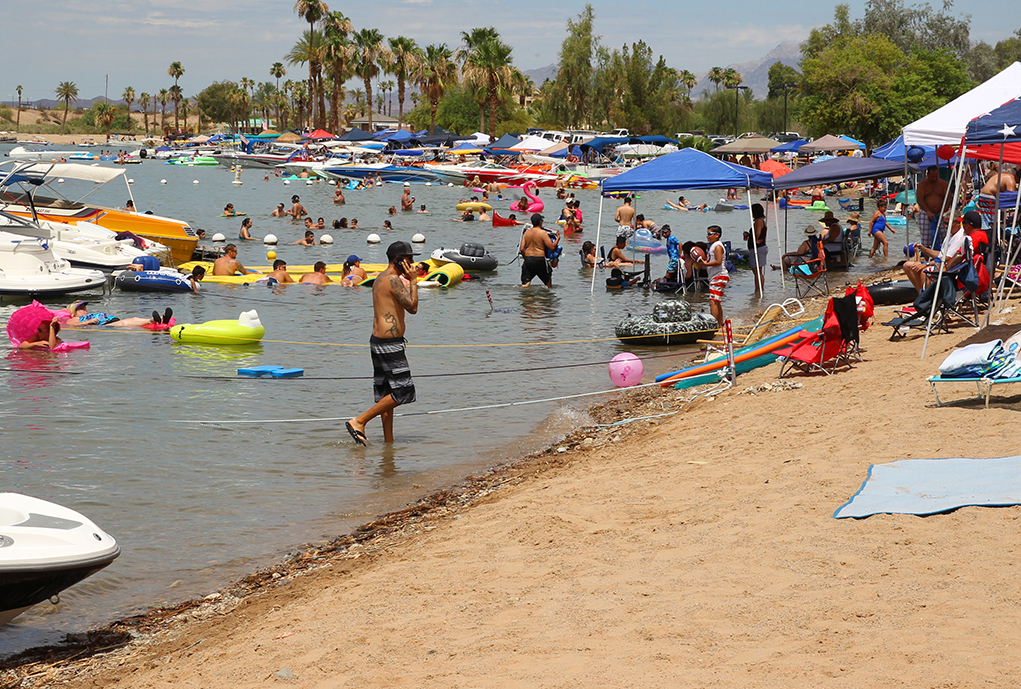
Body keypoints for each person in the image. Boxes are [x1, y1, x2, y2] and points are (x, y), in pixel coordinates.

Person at [346, 240, 420, 445]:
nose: (412, 263)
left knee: (386, 395)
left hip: (378, 341)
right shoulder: (394, 280)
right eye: (409, 259)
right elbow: (412, 307)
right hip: (389, 344)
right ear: (398, 260)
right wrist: (413, 280)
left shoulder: (381, 277)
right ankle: (359, 421)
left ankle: (389, 445)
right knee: (404, 391)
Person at [903, 212, 970, 292]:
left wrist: (926, 264)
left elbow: (947, 258)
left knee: (925, 270)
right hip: (941, 262)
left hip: (949, 267)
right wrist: (924, 249)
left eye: (948, 223)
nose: (945, 226)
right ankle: (921, 294)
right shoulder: (951, 234)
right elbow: (940, 254)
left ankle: (926, 299)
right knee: (907, 265)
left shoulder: (959, 237)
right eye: (944, 223)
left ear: (958, 223)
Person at [696, 226, 729, 327]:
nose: (707, 236)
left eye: (709, 234)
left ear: (717, 235)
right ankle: (719, 324)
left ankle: (714, 326)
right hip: (716, 276)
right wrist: (703, 263)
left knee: (713, 302)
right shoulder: (713, 245)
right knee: (717, 302)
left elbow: (718, 261)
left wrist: (705, 264)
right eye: (707, 234)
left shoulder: (718, 246)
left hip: (719, 276)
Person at [519, 213, 560, 287]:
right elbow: (552, 247)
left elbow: (522, 249)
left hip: (528, 259)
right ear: (540, 222)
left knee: (526, 283)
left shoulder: (526, 233)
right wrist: (558, 239)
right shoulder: (543, 233)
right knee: (548, 284)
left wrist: (526, 258)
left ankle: (523, 297)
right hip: (540, 259)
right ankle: (545, 298)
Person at [66, 301, 171, 327]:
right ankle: (152, 320)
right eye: (80, 308)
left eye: (84, 307)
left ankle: (161, 319)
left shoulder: (90, 314)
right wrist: (89, 321)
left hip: (112, 320)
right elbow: (72, 325)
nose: (84, 309)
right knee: (125, 323)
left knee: (134, 318)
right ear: (74, 312)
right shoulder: (74, 319)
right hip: (105, 326)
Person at [917, 166, 949, 248]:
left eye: (936, 176)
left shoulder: (943, 184)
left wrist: (943, 211)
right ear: (927, 175)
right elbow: (919, 199)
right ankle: (928, 258)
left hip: (941, 213)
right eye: (932, 177)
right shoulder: (922, 184)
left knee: (945, 238)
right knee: (926, 241)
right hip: (925, 213)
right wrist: (928, 211)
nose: (934, 178)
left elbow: (948, 199)